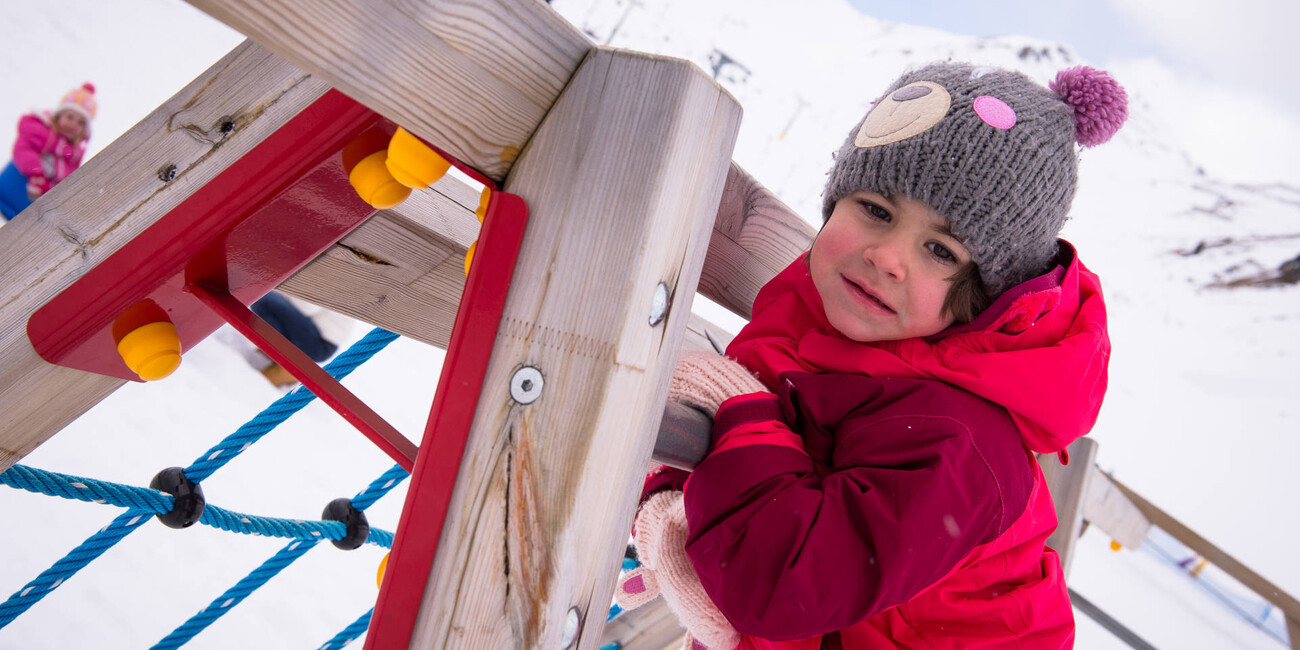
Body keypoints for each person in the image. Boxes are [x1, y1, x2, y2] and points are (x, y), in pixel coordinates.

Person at [614, 62, 1128, 649]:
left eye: (939, 249)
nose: (887, 257)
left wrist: (741, 420)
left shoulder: (957, 442)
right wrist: (670, 487)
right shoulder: (818, 318)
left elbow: (786, 586)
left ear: (979, 300)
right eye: (877, 211)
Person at [0, 82, 96, 220]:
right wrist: (36, 172)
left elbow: (66, 180)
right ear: (58, 116)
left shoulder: (73, 155)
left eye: (81, 123)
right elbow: (23, 149)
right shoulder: (42, 130)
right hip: (9, 191)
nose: (74, 124)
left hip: (25, 211)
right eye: (70, 117)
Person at [219, 291, 354, 388]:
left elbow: (307, 308)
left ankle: (286, 364)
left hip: (318, 344)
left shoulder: (330, 281)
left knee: (264, 299)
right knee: (267, 300)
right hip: (320, 343)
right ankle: (278, 356)